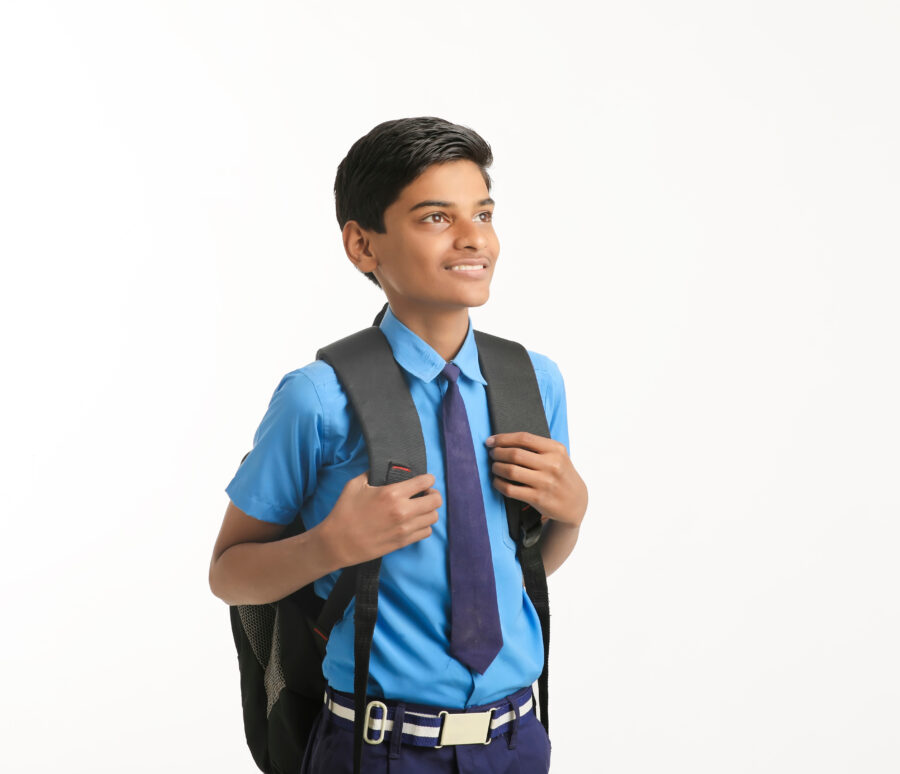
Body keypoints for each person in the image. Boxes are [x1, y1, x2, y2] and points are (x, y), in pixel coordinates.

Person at [209, 116, 589, 773]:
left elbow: (514, 572)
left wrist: (574, 511)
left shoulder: (533, 381)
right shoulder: (320, 398)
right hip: (377, 748)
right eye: (436, 218)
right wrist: (331, 546)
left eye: (484, 213)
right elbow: (228, 572)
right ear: (363, 245)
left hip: (516, 740)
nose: (474, 238)